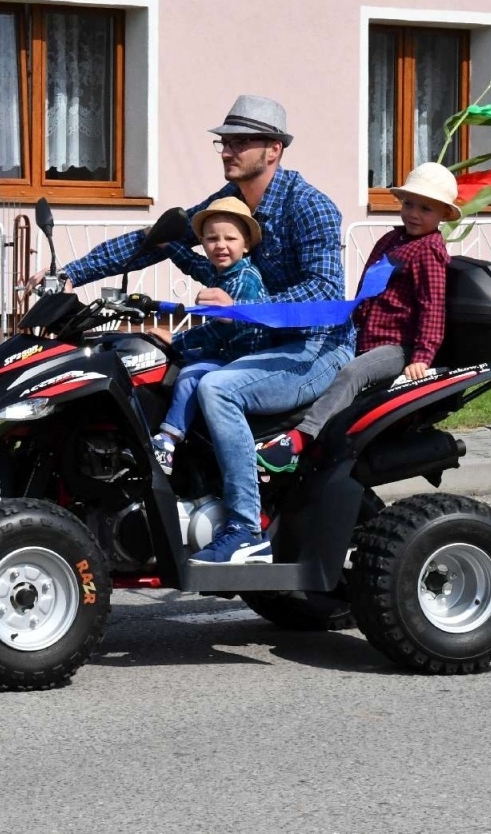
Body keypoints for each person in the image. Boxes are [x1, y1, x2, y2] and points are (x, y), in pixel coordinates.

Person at [40, 94, 350, 566]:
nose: (227, 151)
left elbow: (325, 292)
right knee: (157, 366)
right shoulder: (227, 206)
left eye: (240, 142)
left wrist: (247, 307)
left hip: (311, 349)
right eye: (224, 142)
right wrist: (70, 276)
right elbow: (157, 240)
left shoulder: (311, 208)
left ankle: (246, 530)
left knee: (220, 389)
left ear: (274, 150)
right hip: (252, 343)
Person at [291, 160, 457, 451]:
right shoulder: (392, 239)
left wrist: (421, 356)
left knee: (353, 374)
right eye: (409, 204)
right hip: (366, 337)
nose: (414, 214)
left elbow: (432, 306)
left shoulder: (429, 250)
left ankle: (302, 438)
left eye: (426, 208)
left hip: (397, 346)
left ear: (444, 214)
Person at [150, 197, 269, 475]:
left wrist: (178, 340)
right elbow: (194, 264)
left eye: (230, 238)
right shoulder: (222, 273)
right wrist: (166, 244)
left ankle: (168, 439)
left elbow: (225, 327)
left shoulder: (246, 279)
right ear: (203, 242)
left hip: (242, 358)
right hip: (225, 352)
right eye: (212, 239)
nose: (221, 245)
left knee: (190, 376)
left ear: (246, 244)